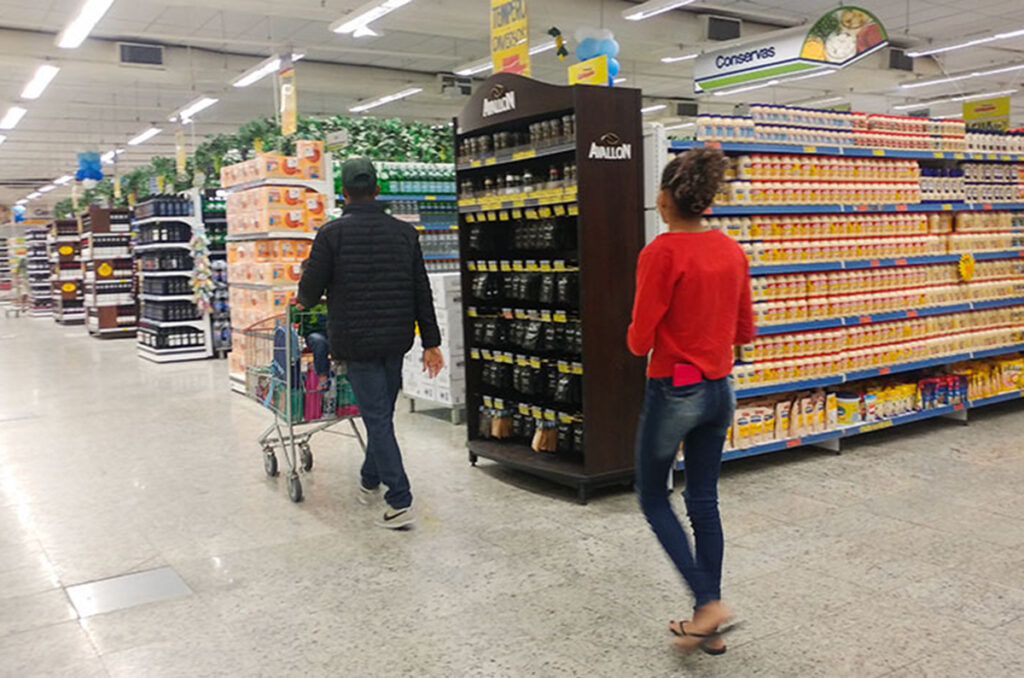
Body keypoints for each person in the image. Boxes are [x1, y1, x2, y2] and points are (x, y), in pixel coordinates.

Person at [627, 148, 755, 654]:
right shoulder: (731, 250)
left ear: (664, 198)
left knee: (652, 496)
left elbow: (640, 339)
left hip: (675, 388)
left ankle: (708, 604)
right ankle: (709, 625)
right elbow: (745, 329)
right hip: (720, 389)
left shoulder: (660, 253)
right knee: (704, 501)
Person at [297, 157, 444, 530]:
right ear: (377, 190)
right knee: (381, 415)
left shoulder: (330, 234)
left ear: (343, 192)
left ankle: (400, 500)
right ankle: (369, 477)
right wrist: (431, 342)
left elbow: (309, 295)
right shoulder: (404, 233)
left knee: (377, 417)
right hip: (396, 338)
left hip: (356, 340)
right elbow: (421, 290)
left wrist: (304, 293)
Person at [296, 260, 330, 389]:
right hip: (314, 332)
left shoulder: (330, 289)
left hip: (334, 329)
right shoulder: (302, 294)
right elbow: (295, 317)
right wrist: (298, 309)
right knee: (319, 342)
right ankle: (322, 377)